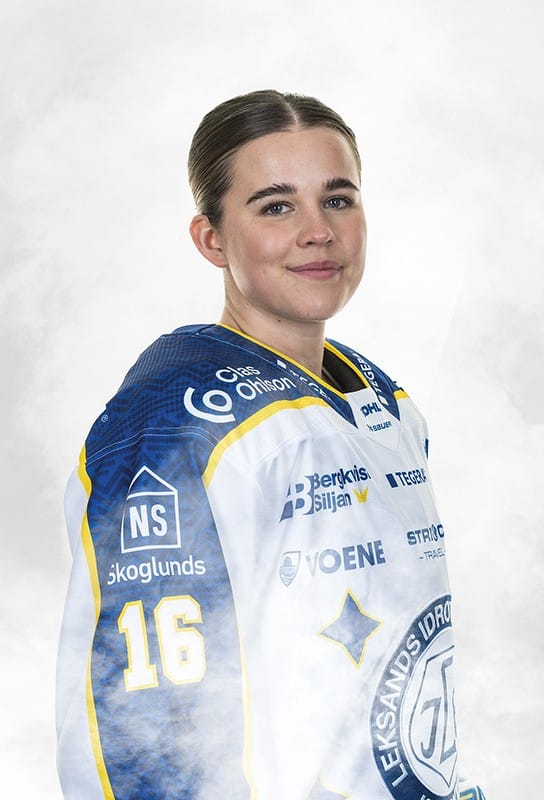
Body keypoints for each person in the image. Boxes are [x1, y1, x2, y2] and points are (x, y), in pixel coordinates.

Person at [56, 90, 485, 800]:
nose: (318, 232)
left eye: (338, 199)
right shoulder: (175, 423)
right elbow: (147, 729)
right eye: (276, 206)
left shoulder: (382, 398)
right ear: (211, 240)